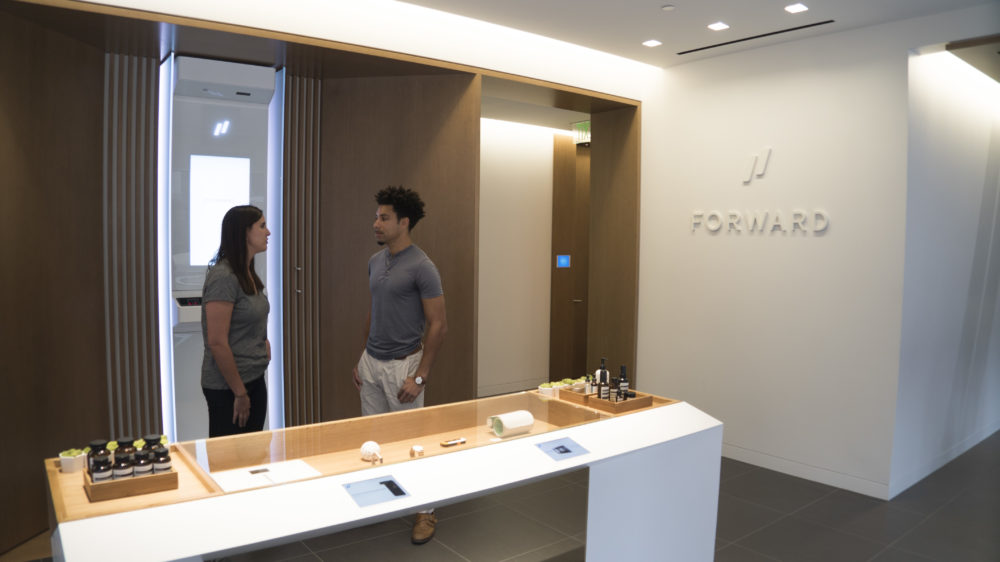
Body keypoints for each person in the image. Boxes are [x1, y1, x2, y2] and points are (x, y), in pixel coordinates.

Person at [353, 186, 447, 544]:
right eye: (376, 217)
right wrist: (362, 356)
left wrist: (420, 377)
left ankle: (426, 511)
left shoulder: (423, 266)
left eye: (384, 218)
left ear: (404, 222)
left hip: (404, 366)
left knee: (413, 442)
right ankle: (382, 498)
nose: (375, 223)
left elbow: (438, 325)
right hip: (372, 363)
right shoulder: (375, 261)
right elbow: (373, 309)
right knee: (374, 439)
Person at [201, 205, 271, 438]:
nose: (268, 232)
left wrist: (263, 340)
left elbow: (249, 317)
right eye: (262, 226)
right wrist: (240, 393)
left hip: (253, 378)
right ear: (244, 233)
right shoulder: (224, 277)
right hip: (229, 389)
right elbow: (217, 342)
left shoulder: (247, 271)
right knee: (229, 457)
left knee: (252, 453)